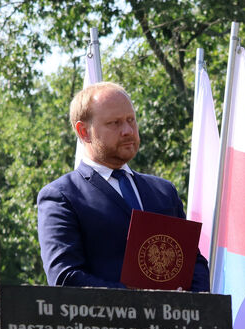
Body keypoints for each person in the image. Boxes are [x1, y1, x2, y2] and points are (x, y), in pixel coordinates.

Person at [37, 82, 209, 290]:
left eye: (131, 120)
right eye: (115, 123)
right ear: (83, 131)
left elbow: (193, 264)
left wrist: (194, 307)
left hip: (176, 320)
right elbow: (66, 277)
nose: (128, 130)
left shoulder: (164, 192)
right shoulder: (62, 197)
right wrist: (139, 301)